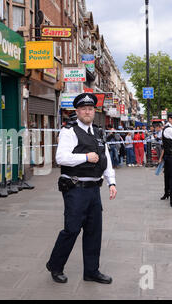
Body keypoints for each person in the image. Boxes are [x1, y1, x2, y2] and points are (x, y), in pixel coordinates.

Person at [47, 92, 117, 285]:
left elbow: (106, 159)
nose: (87, 112)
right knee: (71, 230)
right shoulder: (69, 131)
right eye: (83, 109)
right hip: (75, 188)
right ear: (77, 111)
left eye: (90, 109)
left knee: (94, 231)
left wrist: (112, 182)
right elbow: (60, 158)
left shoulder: (99, 132)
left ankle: (92, 271)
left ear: (94, 111)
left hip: (94, 189)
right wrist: (85, 157)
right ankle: (55, 265)